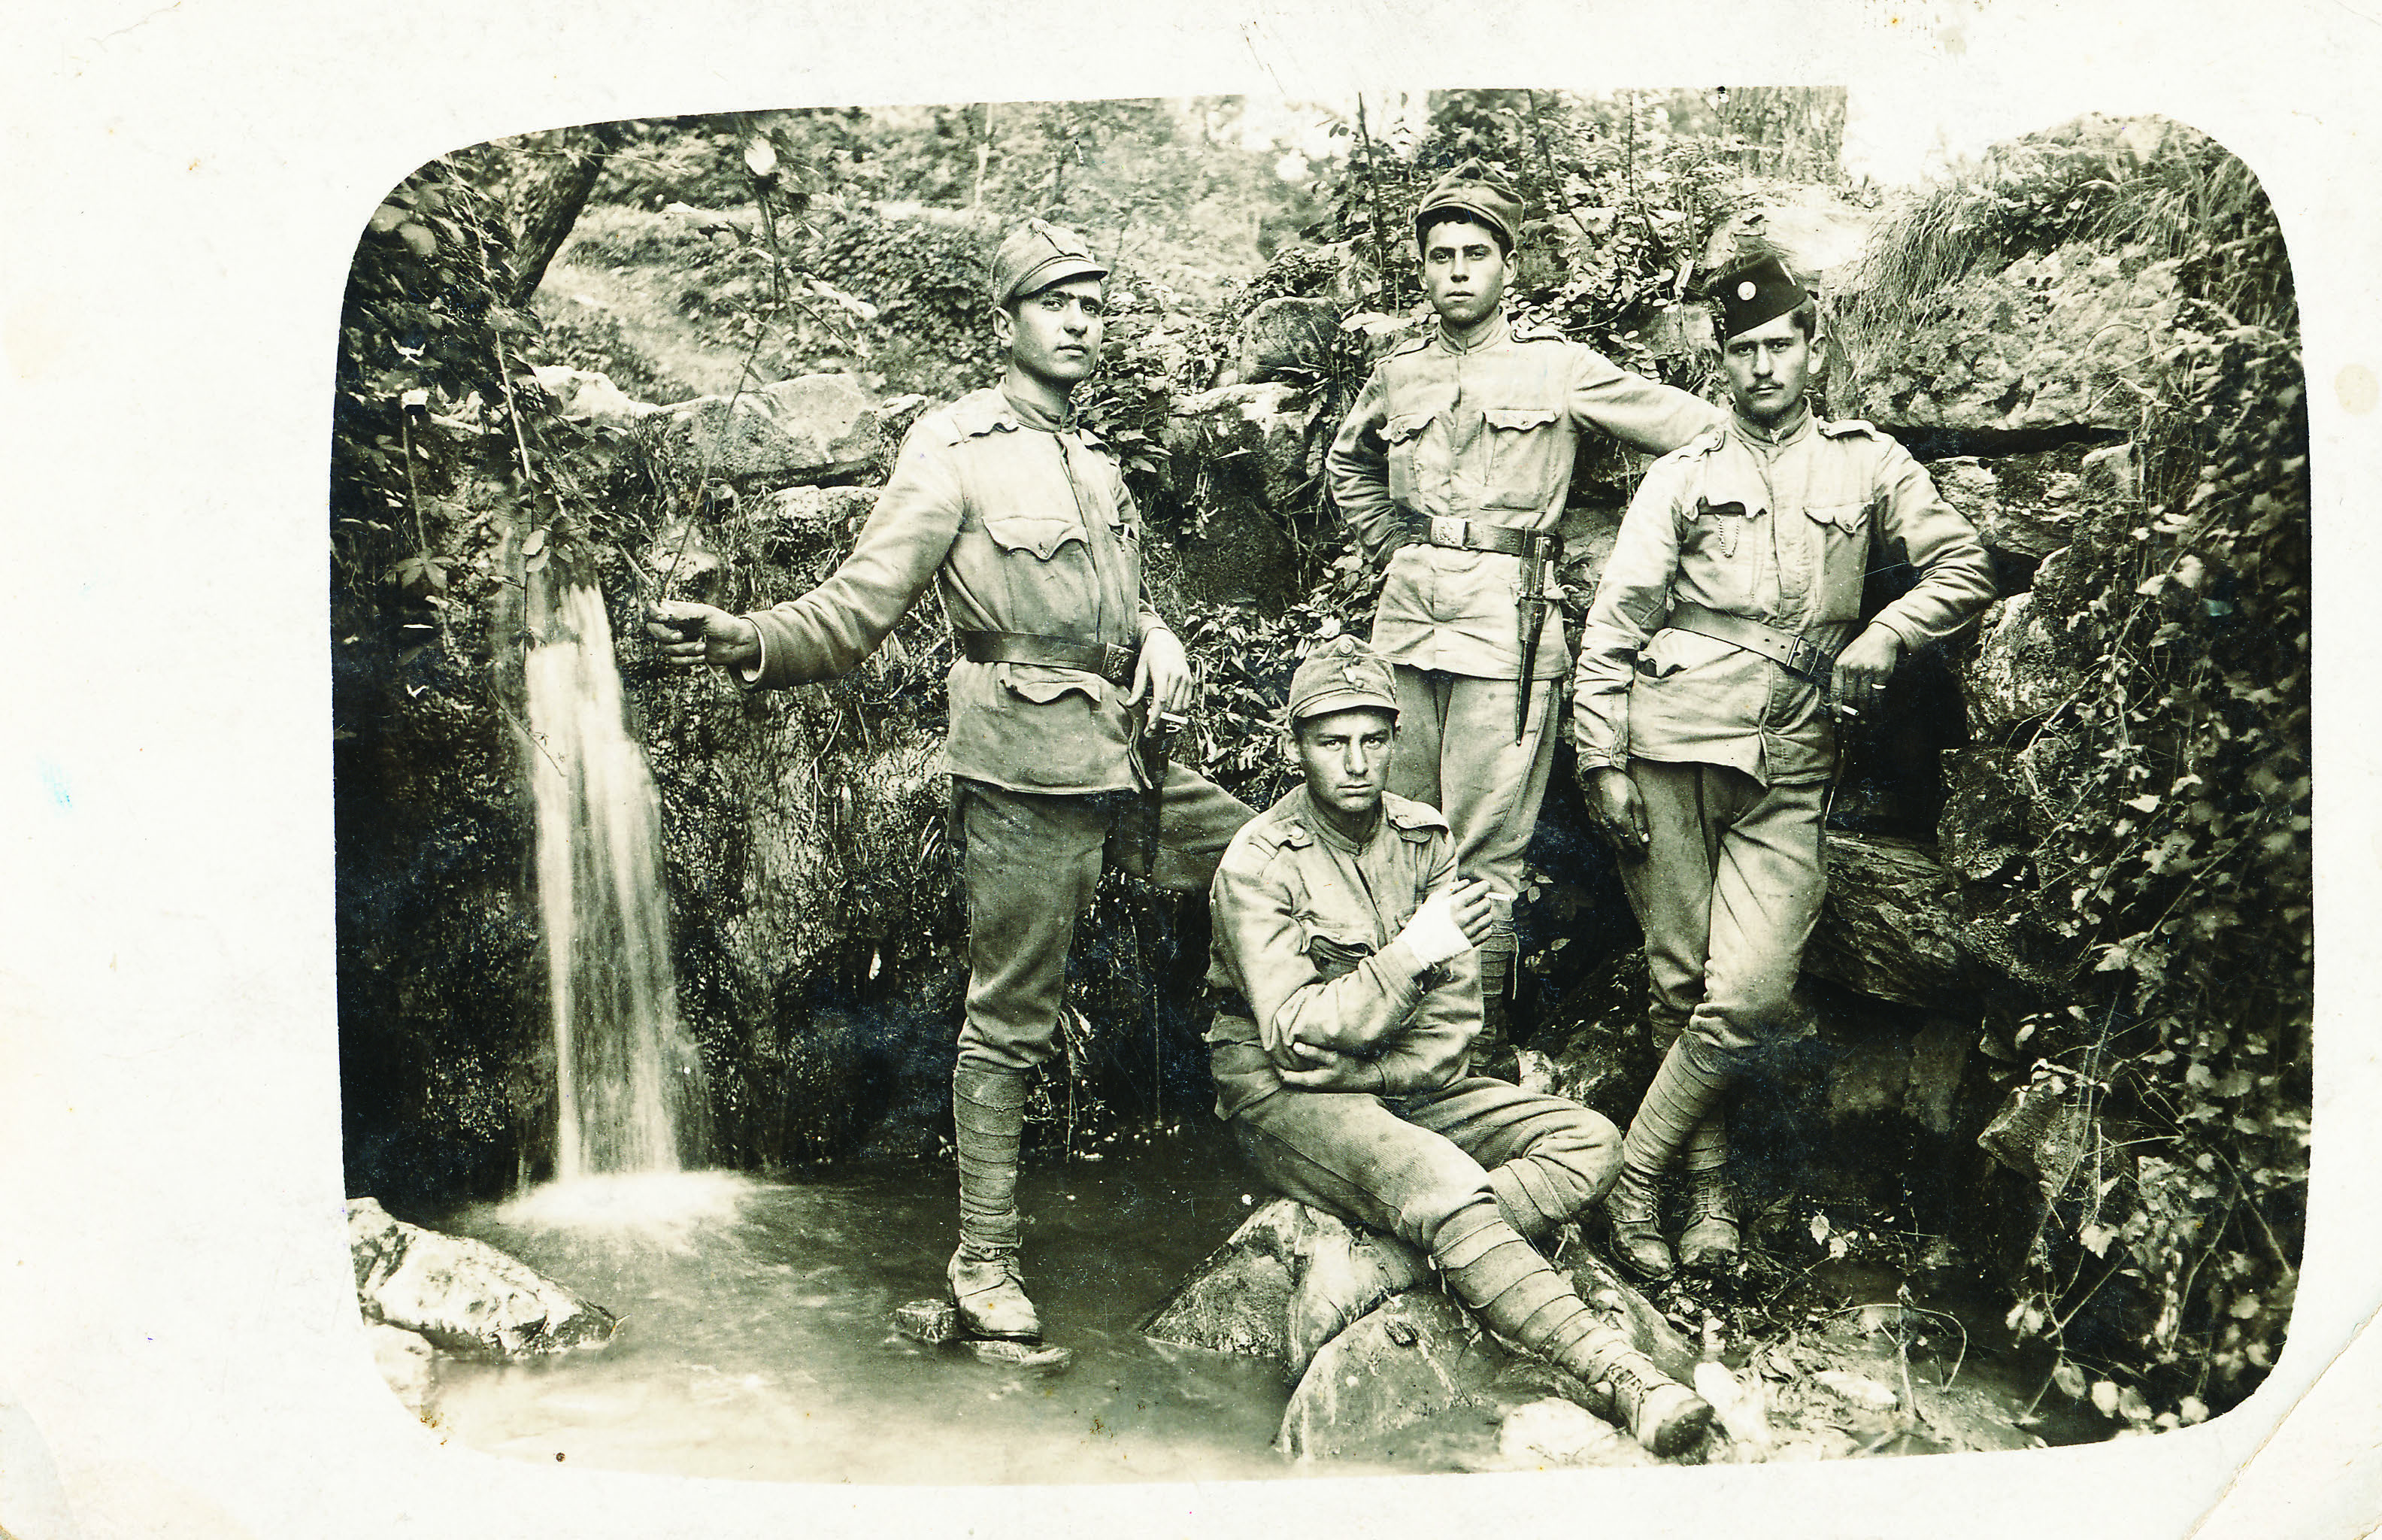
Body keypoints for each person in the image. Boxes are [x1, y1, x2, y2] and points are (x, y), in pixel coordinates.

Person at [647, 220, 1253, 1341]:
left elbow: (1104, 601)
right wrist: (750, 639)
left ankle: (1303, 1131)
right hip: (1022, 765)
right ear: (1006, 323)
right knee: (1012, 1016)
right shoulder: (954, 449)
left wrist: (1158, 630)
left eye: (1093, 305)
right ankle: (984, 1263)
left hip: (1128, 753)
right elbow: (857, 607)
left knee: (1269, 859)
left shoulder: (1095, 459)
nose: (1080, 323)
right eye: (1055, 304)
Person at [1569, 253, 1996, 1278]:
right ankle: (1704, 1206)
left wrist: (1888, 634)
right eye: (1743, 350)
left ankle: (1632, 1178)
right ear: (1720, 363)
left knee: (1749, 993)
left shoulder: (1868, 463)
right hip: (1668, 743)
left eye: (1780, 346)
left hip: (1794, 756)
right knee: (1680, 986)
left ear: (1814, 350)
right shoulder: (1681, 477)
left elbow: (1967, 564)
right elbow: (1615, 622)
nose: (1763, 366)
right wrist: (1602, 760)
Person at [1200, 634, 1714, 1455]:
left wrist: (1378, 1052)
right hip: (1285, 1097)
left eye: (1374, 738)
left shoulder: (1426, 838)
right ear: (1295, 746)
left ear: (1395, 738)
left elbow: (1453, 1023)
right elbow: (1292, 1038)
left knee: (1589, 1138)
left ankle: (1394, 1261)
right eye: (1332, 741)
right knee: (1443, 1179)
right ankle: (1626, 1377)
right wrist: (1409, 955)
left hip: (1403, 1076)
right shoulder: (1259, 861)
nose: (1357, 761)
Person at [1326, 159, 1724, 1072]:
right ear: (1422, 272)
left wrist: (1646, 546)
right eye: (1440, 256)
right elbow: (1348, 465)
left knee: (1481, 853)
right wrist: (1397, 545)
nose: (1457, 269)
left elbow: (1696, 427)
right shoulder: (1399, 374)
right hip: (1405, 626)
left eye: (1476, 253)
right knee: (1394, 827)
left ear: (1509, 267)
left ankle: (1472, 1056)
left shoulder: (1560, 370)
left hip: (1507, 629)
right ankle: (1397, 1042)